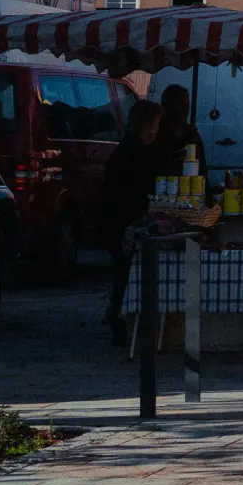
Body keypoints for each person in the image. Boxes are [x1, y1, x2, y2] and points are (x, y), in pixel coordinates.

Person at [101, 99, 166, 346]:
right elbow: (138, 193)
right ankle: (121, 323)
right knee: (126, 276)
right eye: (157, 124)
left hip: (117, 222)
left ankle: (121, 322)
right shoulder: (135, 153)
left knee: (123, 276)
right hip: (126, 224)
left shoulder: (128, 150)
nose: (158, 130)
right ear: (148, 125)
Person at [157, 84, 206, 177]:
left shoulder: (190, 131)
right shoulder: (158, 131)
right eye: (183, 102)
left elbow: (201, 164)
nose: (187, 107)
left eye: (187, 102)